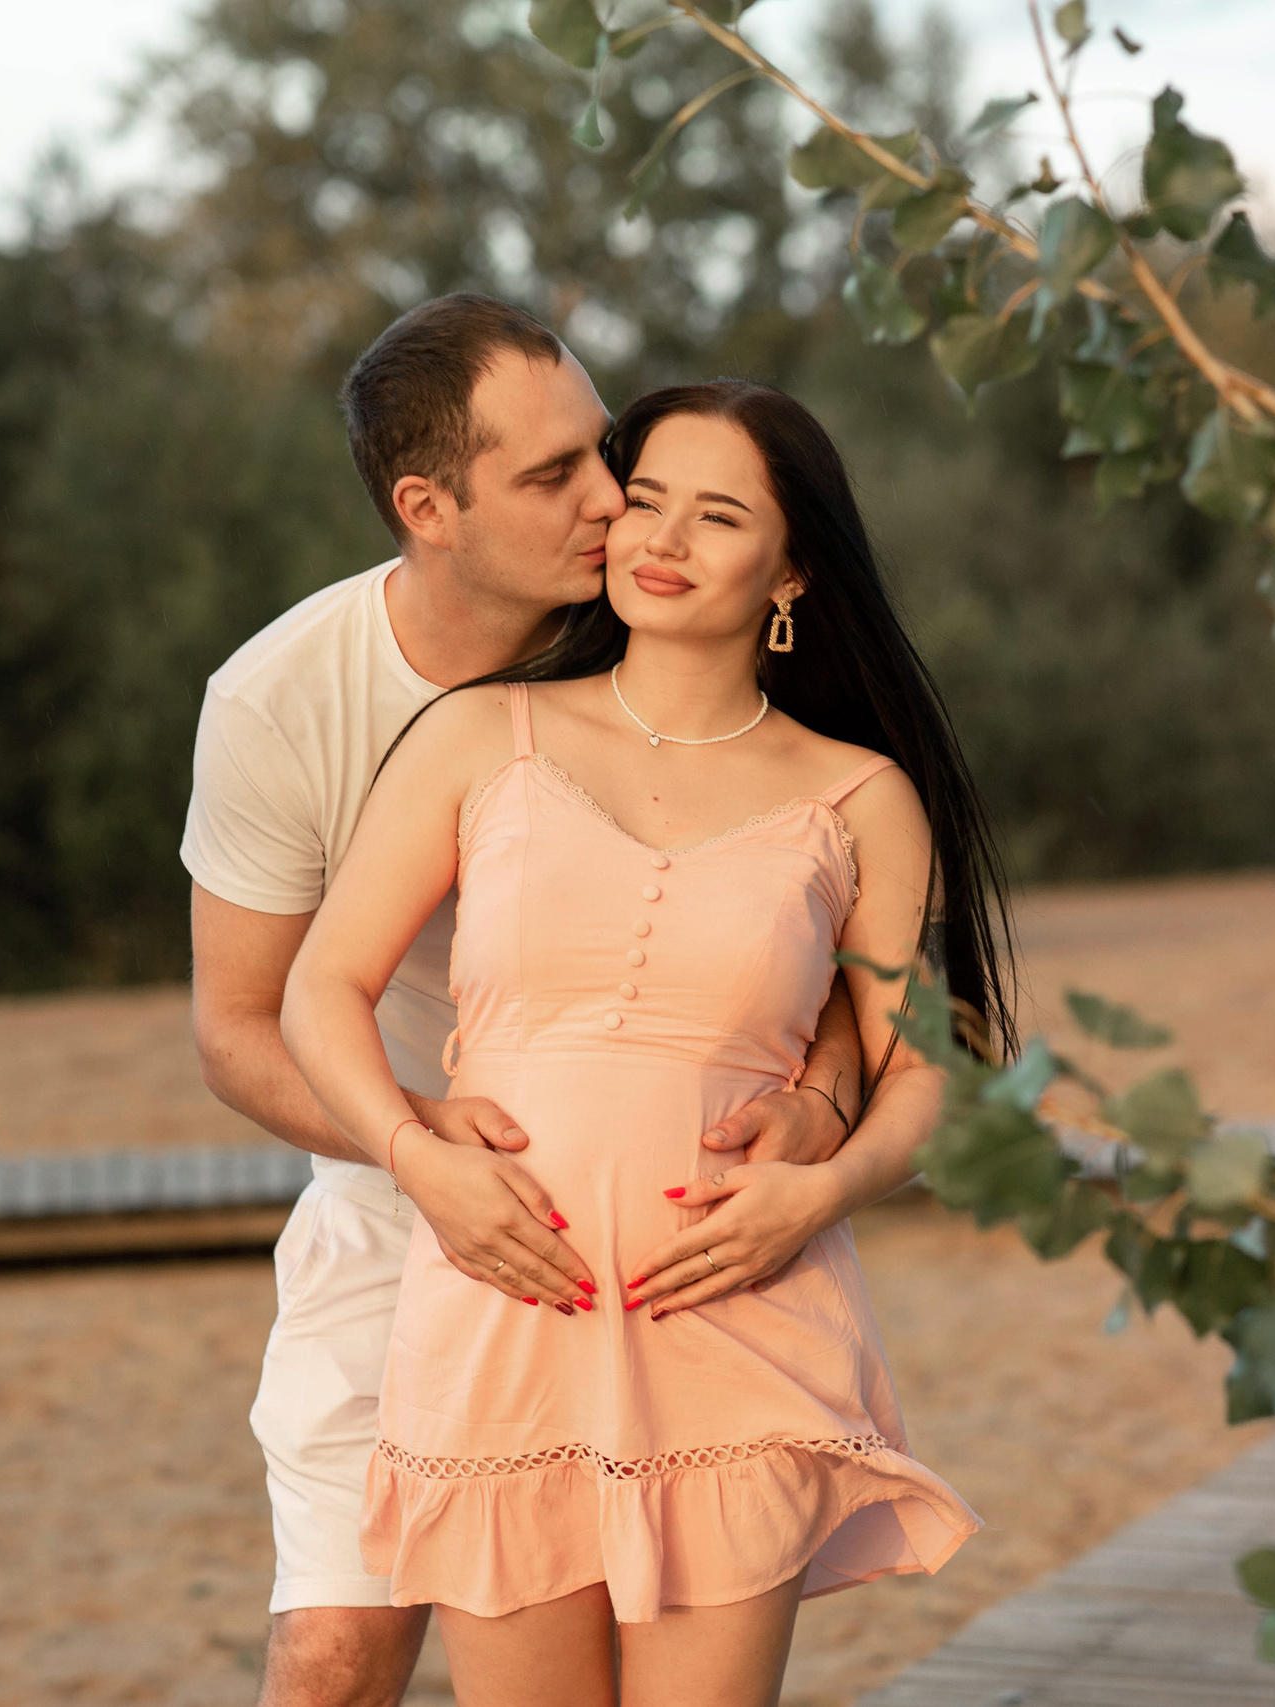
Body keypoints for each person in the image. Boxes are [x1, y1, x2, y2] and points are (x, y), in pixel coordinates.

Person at [280, 379, 1016, 1707]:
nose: (662, 539)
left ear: (791, 566)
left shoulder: (859, 797)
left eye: (719, 514)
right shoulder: (475, 735)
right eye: (647, 500)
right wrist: (412, 1155)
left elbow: (926, 1074)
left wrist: (821, 1190)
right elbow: (320, 989)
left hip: (734, 1316)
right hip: (505, 1311)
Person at [183, 297, 868, 1707]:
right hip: (395, 1201)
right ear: (430, 507)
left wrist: (822, 1105)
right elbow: (242, 1026)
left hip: (669, 1230)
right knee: (329, 1659)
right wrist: (420, 1154)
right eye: (554, 476)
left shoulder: (666, 630)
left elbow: (836, 927)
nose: (615, 500)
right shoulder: (279, 699)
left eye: (601, 450)